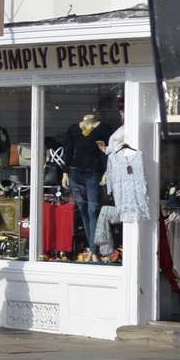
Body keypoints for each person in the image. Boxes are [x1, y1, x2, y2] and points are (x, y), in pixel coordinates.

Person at [61, 111, 116, 258]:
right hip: (75, 173)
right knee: (83, 209)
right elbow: (68, 150)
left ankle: (94, 249)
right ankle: (91, 247)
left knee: (93, 209)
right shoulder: (73, 129)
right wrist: (65, 173)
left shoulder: (104, 128)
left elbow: (107, 152)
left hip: (93, 174)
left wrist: (106, 172)